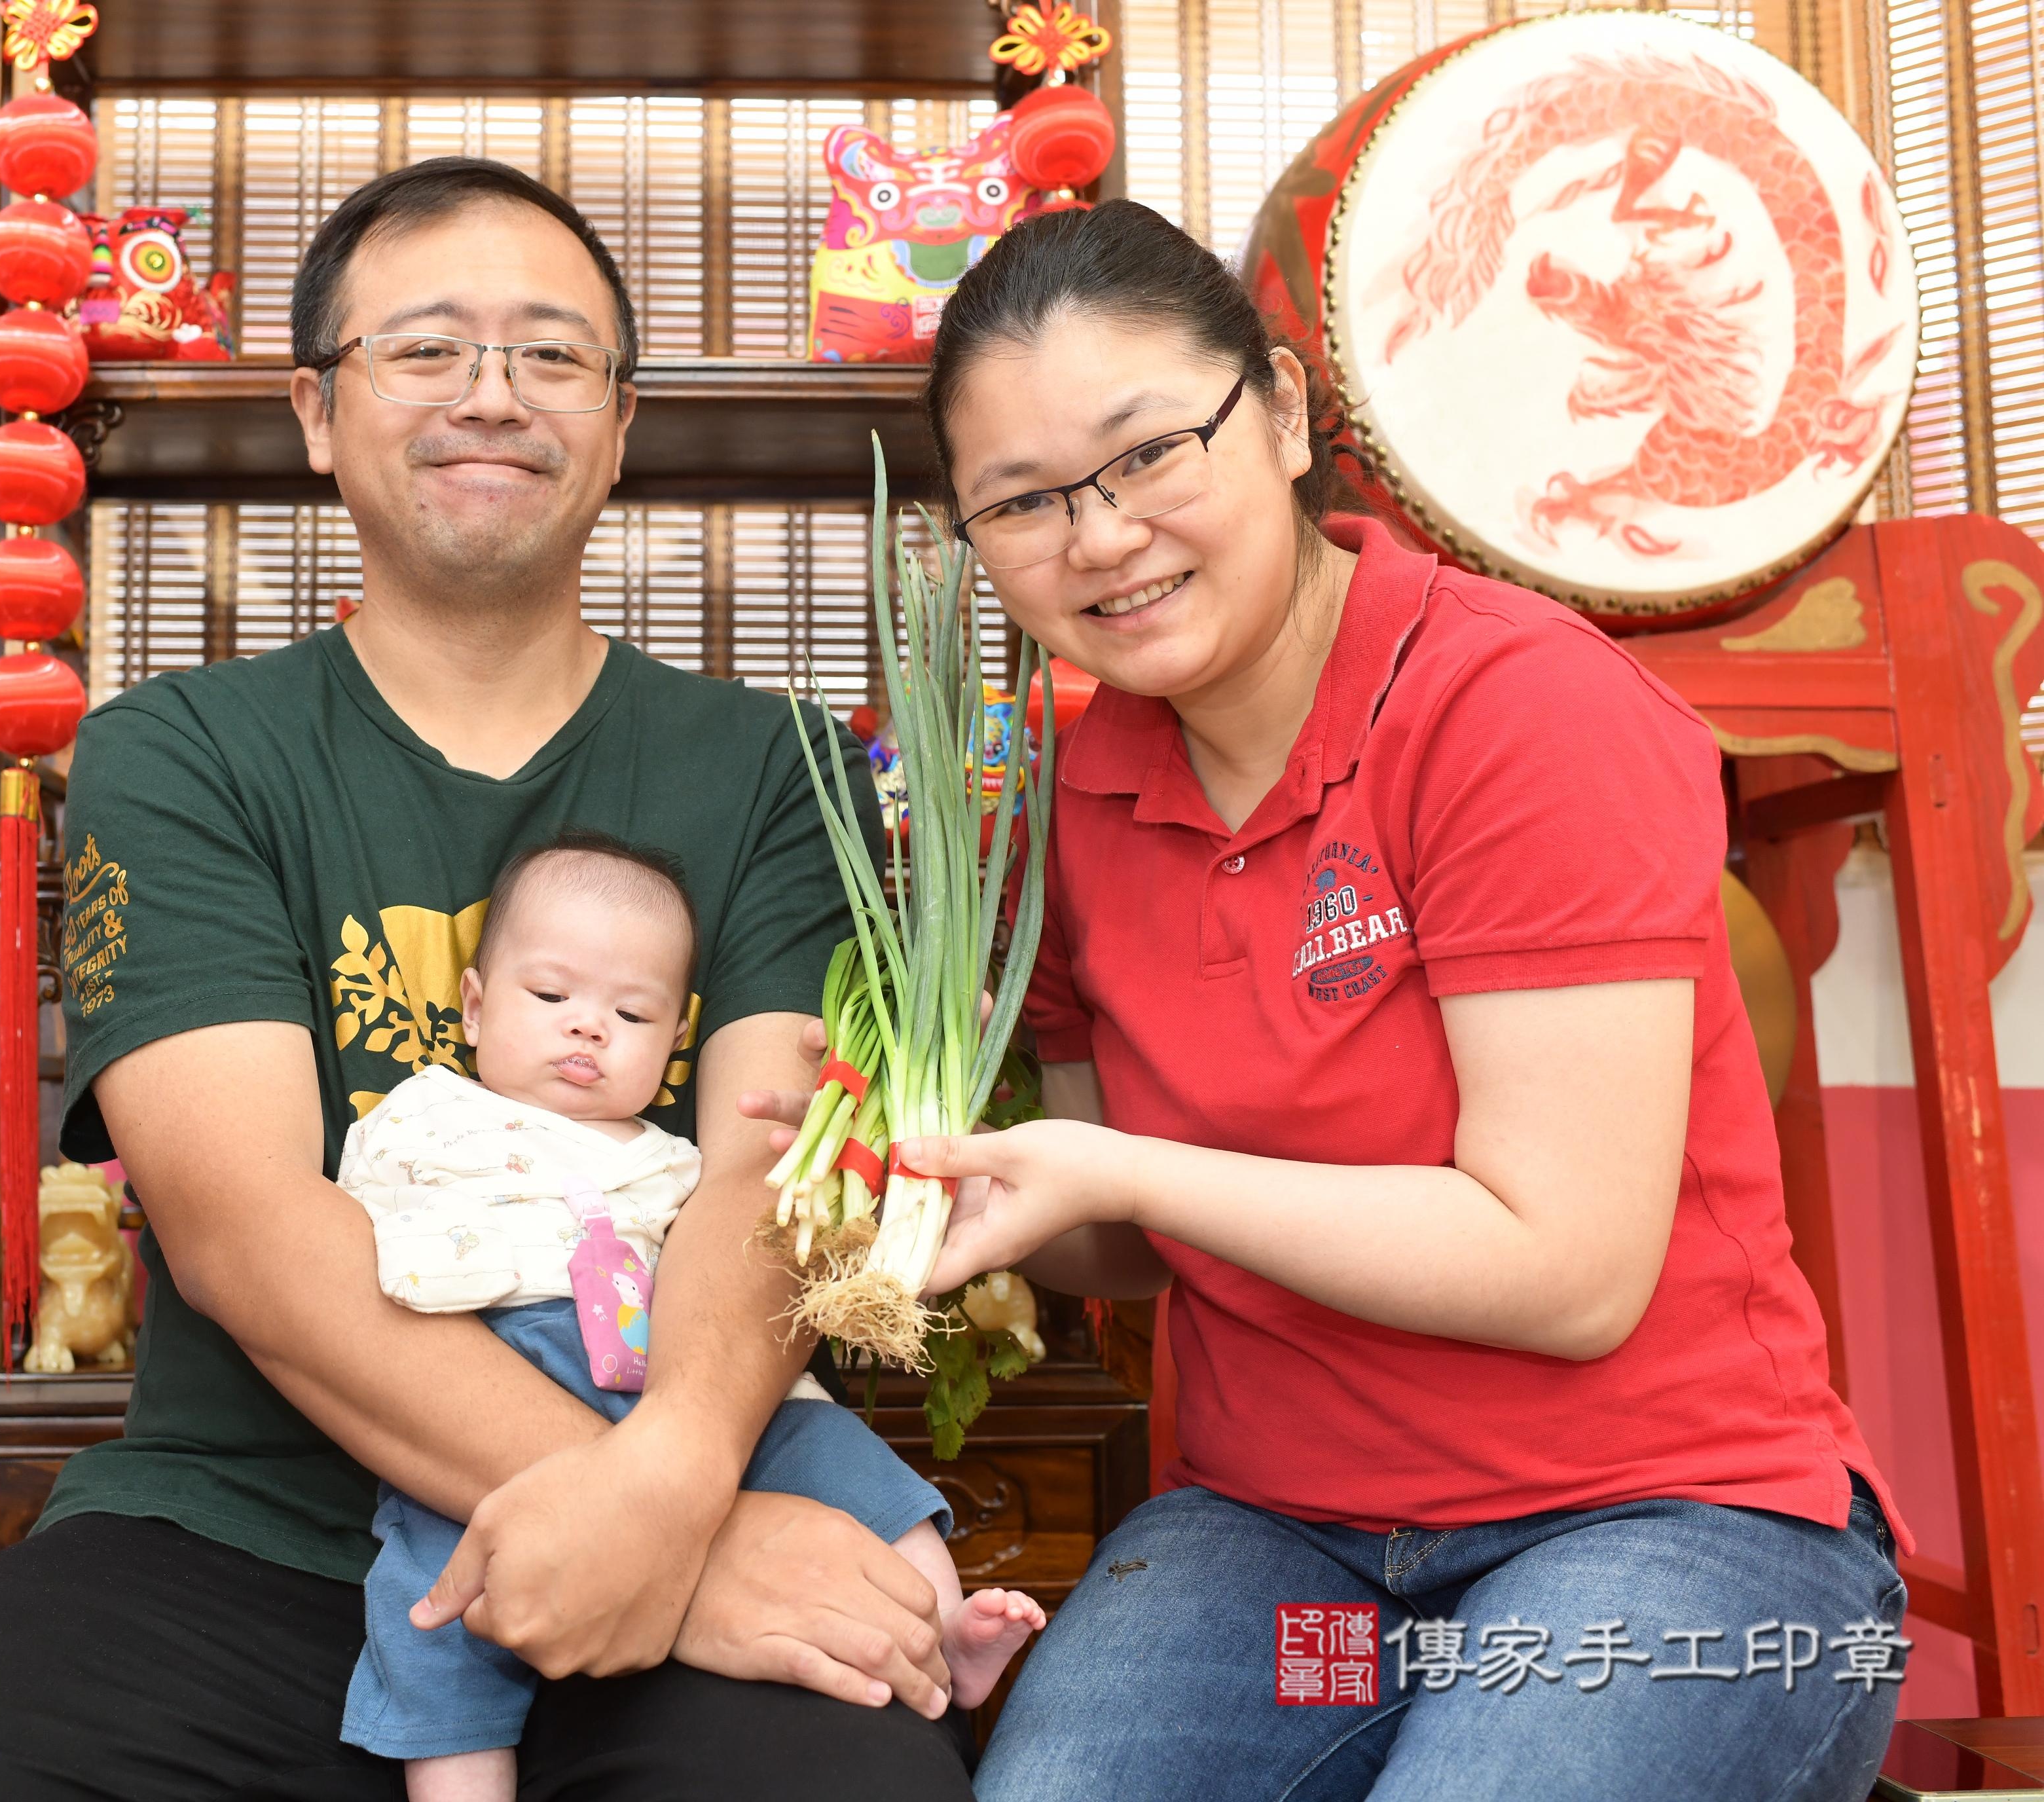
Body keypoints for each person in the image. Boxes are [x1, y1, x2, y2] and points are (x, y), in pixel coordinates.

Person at [0, 159, 976, 1802]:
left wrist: (671, 1492)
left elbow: (771, 1171)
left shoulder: (773, 767)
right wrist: (688, 1534)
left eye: (551, 356)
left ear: (620, 424)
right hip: (247, 1533)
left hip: (690, 1488)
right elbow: (251, 1233)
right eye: (428, 350)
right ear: (316, 409)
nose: (492, 396)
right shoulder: (182, 754)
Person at [753, 198, 1914, 1801]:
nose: (1099, 537)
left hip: (1668, 1521)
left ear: (1285, 412)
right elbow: (1122, 1243)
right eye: (1020, 502)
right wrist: (930, 1170)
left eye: (1150, 451)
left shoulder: (1514, 707)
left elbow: (1563, 1265)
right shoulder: (1083, 793)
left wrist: (1123, 1174)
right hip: (1293, 1553)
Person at [339, 830, 1042, 1802]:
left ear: (676, 1044)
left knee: (857, 1472)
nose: (588, 1029)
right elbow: (350, 1262)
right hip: (510, 1362)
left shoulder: (678, 1164)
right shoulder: (416, 1119)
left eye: (630, 1013)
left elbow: (744, 1262)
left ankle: (939, 1632)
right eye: (551, 999)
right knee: (432, 1596)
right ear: (473, 1006)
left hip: (683, 1371)